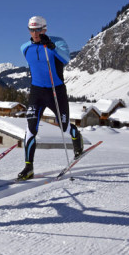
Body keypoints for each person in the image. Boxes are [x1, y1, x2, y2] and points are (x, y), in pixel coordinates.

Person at [18, 15, 83, 180]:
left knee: (64, 126)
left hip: (56, 90)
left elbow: (66, 59)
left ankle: (77, 139)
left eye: (38, 29)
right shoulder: (25, 47)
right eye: (31, 30)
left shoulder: (58, 42)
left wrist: (52, 46)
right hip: (37, 91)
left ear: (44, 28)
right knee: (31, 128)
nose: (35, 33)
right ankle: (28, 167)